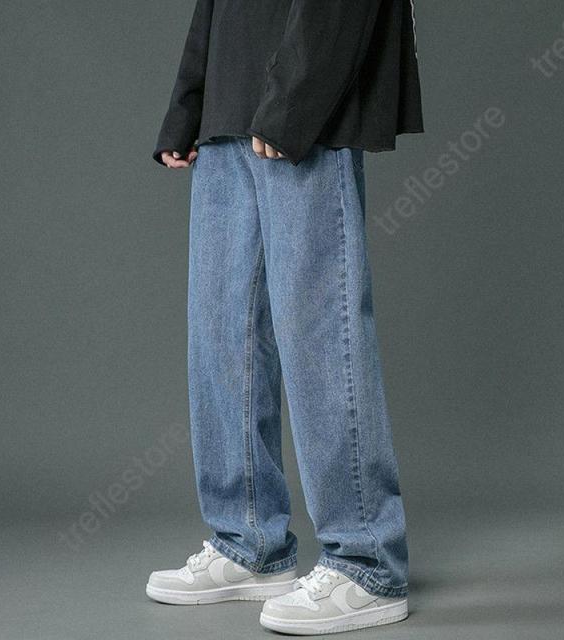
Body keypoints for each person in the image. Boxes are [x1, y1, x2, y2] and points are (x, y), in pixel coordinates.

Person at [146, 0, 423, 634]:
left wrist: (295, 100)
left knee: (320, 333)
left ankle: (367, 562)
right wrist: (188, 106)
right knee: (223, 335)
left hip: (304, 106)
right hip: (229, 105)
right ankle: (248, 542)